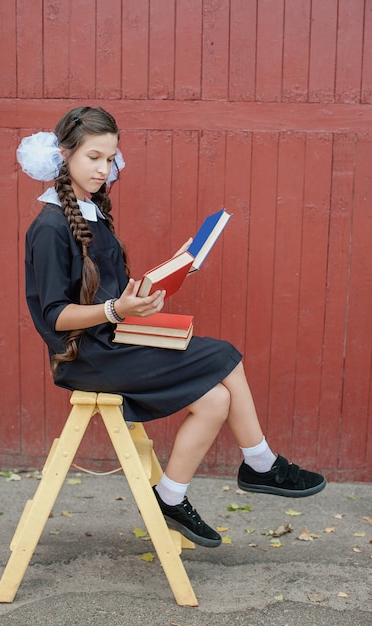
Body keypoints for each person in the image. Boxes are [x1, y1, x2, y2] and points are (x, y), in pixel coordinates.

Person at [19, 106, 326, 549]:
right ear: (64, 155)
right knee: (223, 354)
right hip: (88, 356)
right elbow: (54, 316)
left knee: (217, 398)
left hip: (113, 338)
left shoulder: (89, 212)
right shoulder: (49, 226)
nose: (104, 168)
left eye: (111, 158)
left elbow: (111, 292)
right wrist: (117, 312)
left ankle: (171, 495)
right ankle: (260, 463)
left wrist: (173, 269)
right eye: (93, 157)